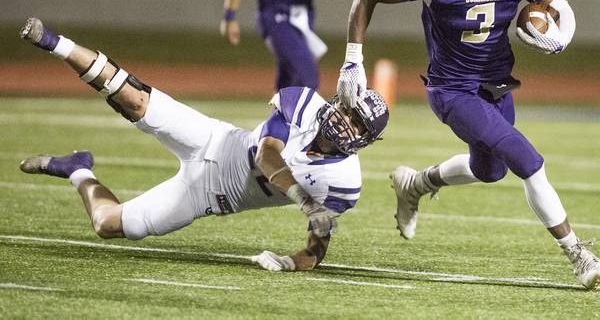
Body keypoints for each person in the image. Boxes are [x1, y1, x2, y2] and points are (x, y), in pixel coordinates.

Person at [335, 0, 600, 289]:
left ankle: (416, 183)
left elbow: (556, 3)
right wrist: (353, 60)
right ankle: (578, 254)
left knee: (490, 170)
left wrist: (560, 37)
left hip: (496, 84)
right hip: (453, 90)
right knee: (527, 160)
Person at [18, 17, 388, 272]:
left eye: (358, 124)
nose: (346, 121)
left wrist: (289, 262)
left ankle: (77, 170)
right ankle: (55, 42)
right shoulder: (305, 103)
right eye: (349, 111)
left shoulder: (344, 184)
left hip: (208, 195)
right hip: (214, 139)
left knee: (106, 224)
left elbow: (315, 248)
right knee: (135, 99)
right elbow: (267, 154)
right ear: (341, 100)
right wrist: (306, 202)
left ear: (365, 140)